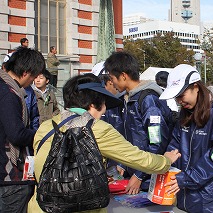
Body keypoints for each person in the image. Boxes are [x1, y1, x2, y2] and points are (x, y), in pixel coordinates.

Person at [27, 73, 181, 212]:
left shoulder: (45, 127)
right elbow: (139, 159)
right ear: (93, 105)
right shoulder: (97, 128)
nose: (105, 110)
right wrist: (166, 161)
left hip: (40, 207)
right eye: (104, 103)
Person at [161, 64, 213, 213]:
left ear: (196, 87)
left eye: (181, 95)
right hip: (186, 194)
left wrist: (186, 179)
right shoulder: (185, 115)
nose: (179, 101)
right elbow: (175, 143)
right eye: (176, 97)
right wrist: (165, 159)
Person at [104, 51, 173, 194]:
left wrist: (139, 175)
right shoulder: (125, 100)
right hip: (133, 176)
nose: (112, 83)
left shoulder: (148, 100)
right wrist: (123, 164)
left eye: (112, 78)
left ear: (123, 76)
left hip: (148, 180)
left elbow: (157, 142)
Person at [0, 47, 45, 213]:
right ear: (26, 72)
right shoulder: (9, 93)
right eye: (33, 76)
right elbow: (16, 134)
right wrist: (42, 135)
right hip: (10, 176)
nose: (32, 81)